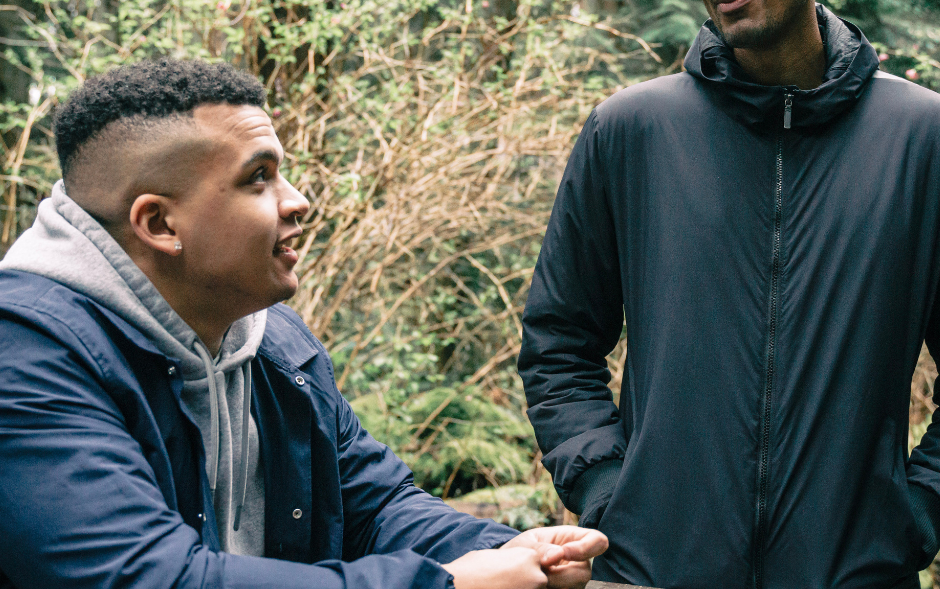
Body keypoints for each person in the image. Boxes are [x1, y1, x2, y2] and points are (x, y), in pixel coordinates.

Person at [0, 58, 607, 589]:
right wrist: (443, 584)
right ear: (159, 225)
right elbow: (145, 576)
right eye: (258, 177)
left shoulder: (278, 346)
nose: (298, 201)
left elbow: (374, 504)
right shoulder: (26, 357)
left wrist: (499, 552)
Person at [518, 0, 940, 589]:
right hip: (655, 572)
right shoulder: (631, 131)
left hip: (854, 574)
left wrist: (916, 511)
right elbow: (558, 342)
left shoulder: (920, 139)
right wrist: (613, 496)